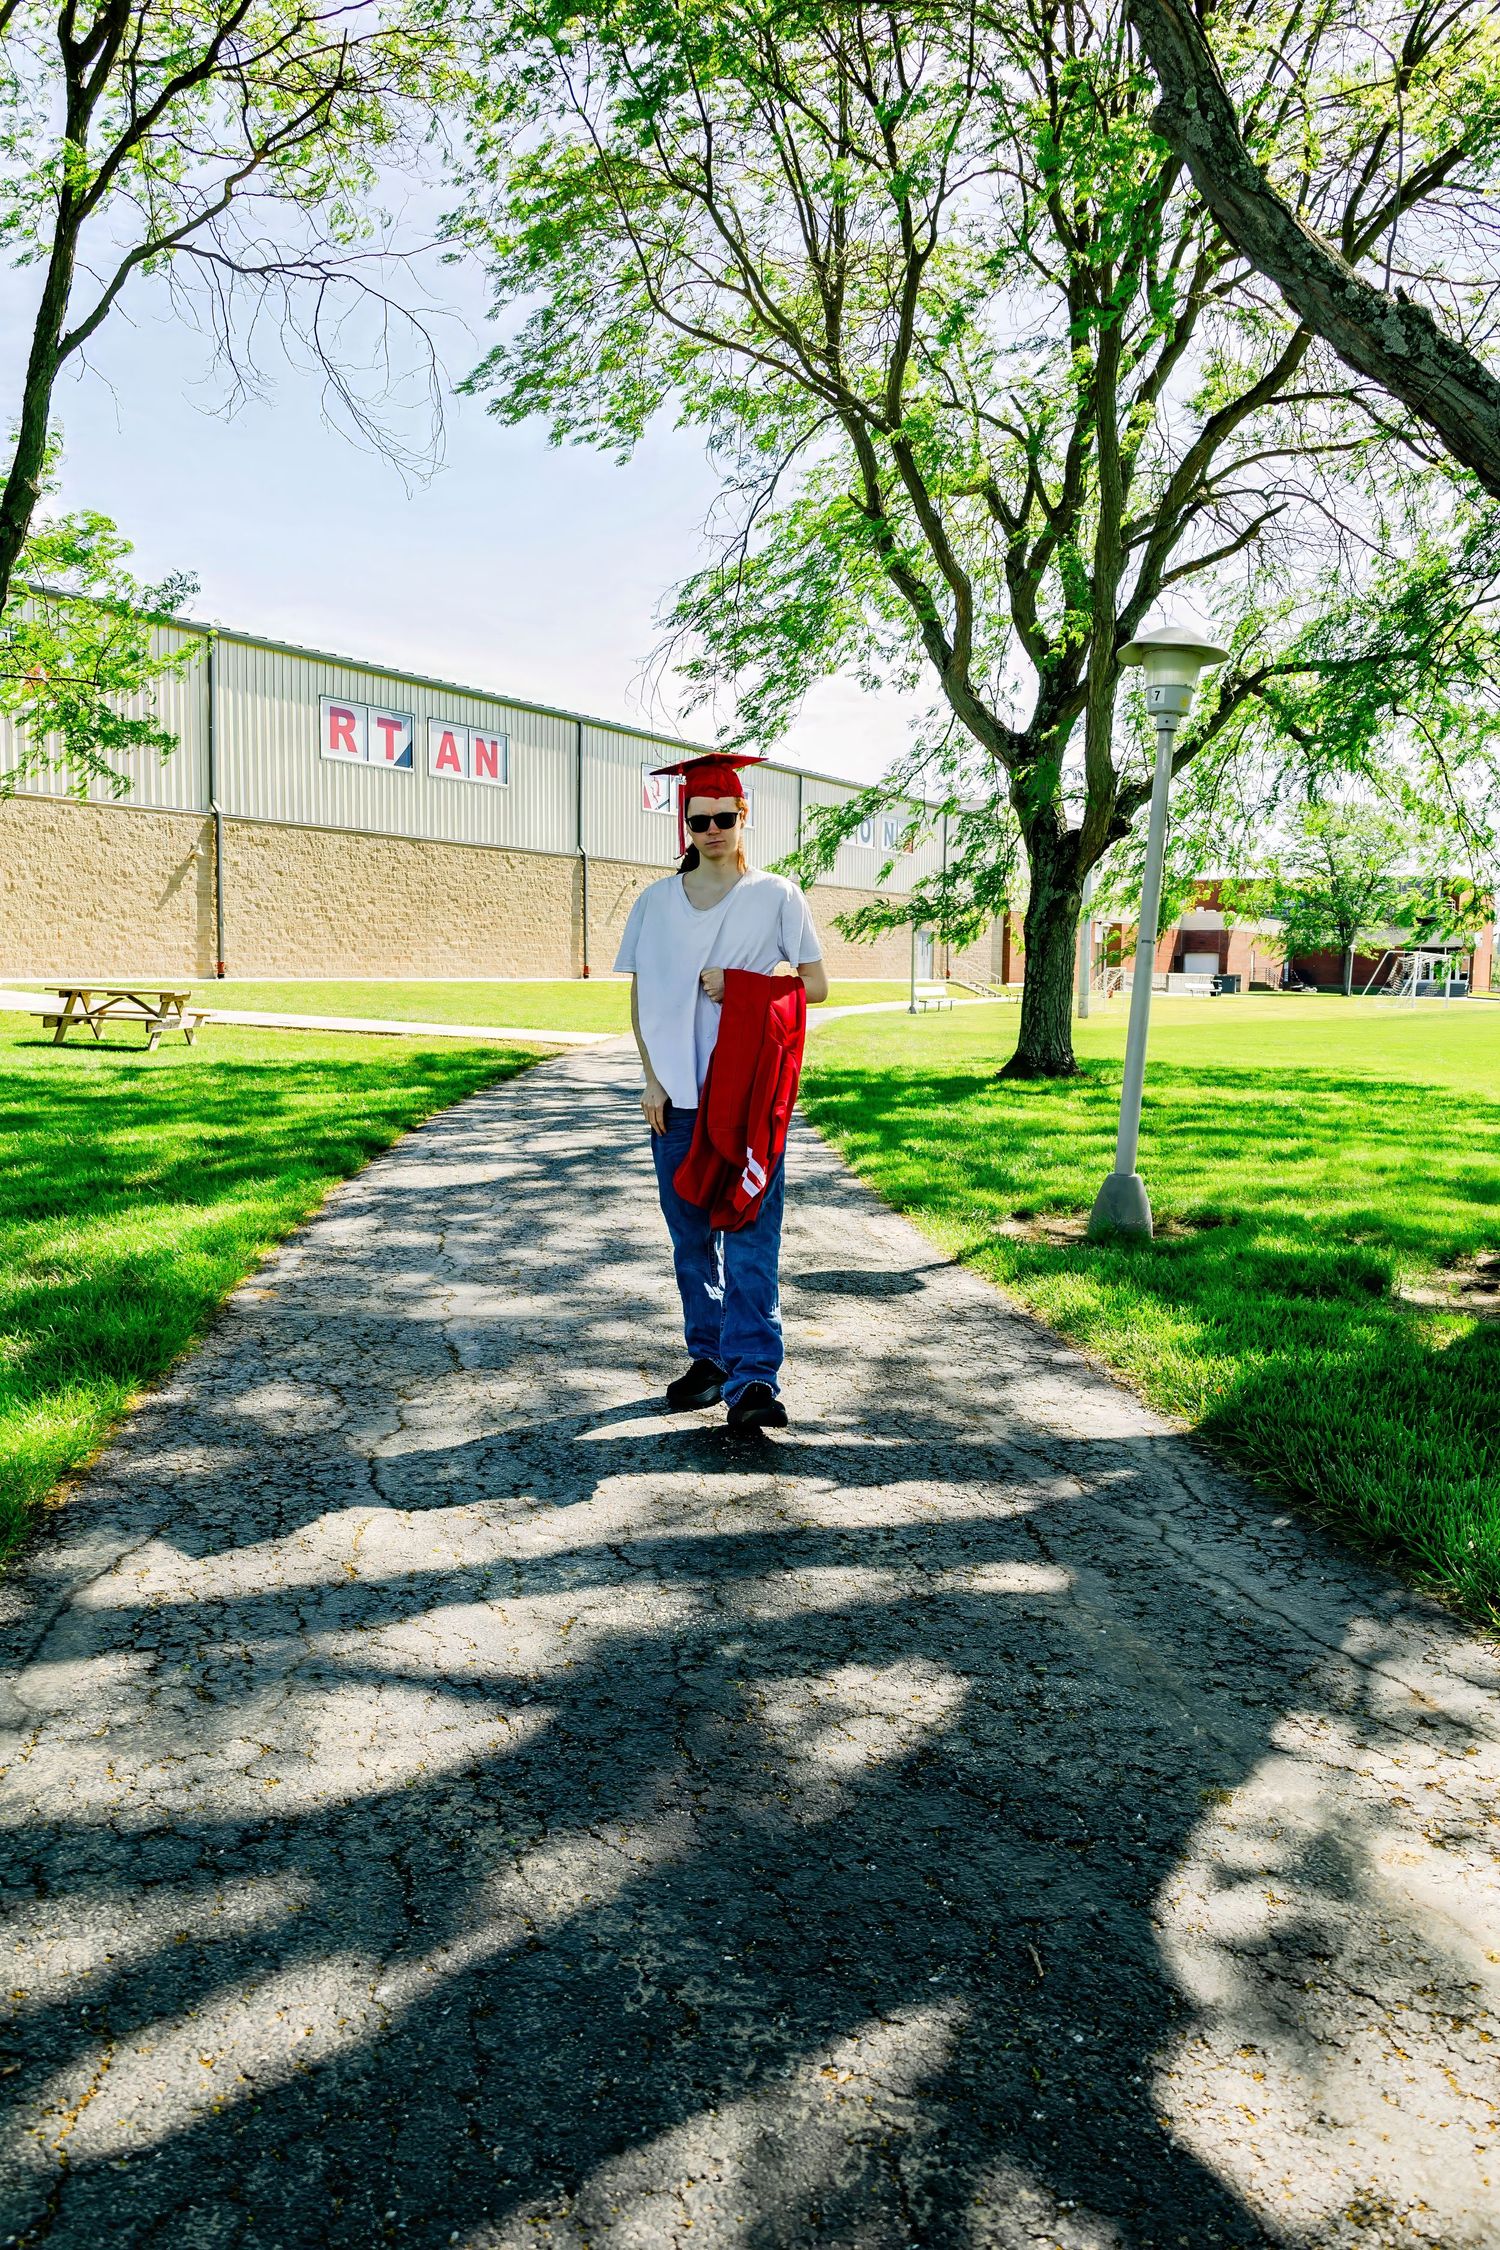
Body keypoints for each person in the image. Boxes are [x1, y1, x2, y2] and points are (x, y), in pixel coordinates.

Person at [614, 753, 829, 1432]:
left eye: (724, 818)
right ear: (686, 823)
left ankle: (754, 1378)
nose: (711, 829)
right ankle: (708, 1362)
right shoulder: (654, 903)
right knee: (691, 1242)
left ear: (744, 818)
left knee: (750, 1236)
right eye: (699, 819)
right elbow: (642, 994)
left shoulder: (776, 897)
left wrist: (740, 986)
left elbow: (816, 987)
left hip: (746, 1103)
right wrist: (650, 1076)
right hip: (674, 1100)